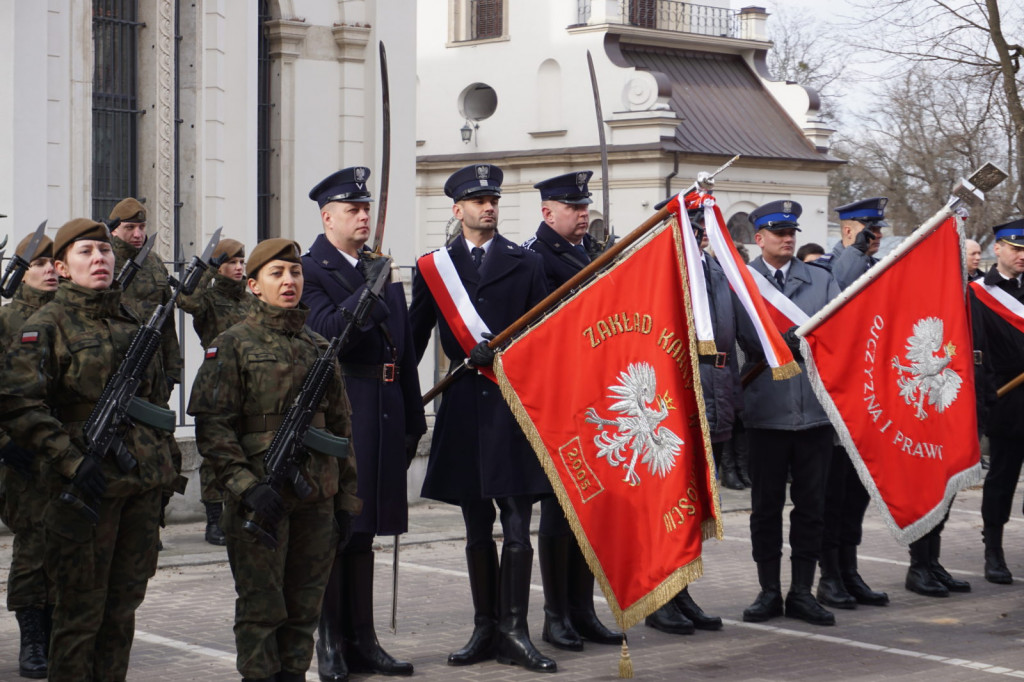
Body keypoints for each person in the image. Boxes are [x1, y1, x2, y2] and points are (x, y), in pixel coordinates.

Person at [0, 218, 178, 680]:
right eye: (85, 252)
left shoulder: (136, 321)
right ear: (62, 266)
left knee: (121, 612)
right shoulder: (45, 325)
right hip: (82, 490)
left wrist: (162, 474)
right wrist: (71, 459)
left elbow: (157, 404)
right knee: (79, 614)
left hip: (138, 487)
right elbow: (19, 404)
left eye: (104, 251)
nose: (99, 259)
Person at [188, 238, 361, 682]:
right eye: (277, 274)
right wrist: (246, 486)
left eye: (296, 272)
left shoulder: (319, 346)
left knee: (305, 611)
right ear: (253, 286)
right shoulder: (232, 345)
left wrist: (346, 501)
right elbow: (214, 428)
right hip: (259, 500)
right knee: (262, 612)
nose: (289, 281)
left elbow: (341, 431)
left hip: (317, 499)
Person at [410, 164, 556, 673]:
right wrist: (402, 405)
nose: (487, 207)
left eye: (492, 199)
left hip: (514, 405)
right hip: (466, 407)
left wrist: (509, 353)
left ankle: (515, 629)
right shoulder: (435, 267)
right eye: (476, 201)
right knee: (476, 525)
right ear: (457, 210)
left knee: (517, 523)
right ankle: (484, 627)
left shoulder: (525, 261)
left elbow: (546, 334)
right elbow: (413, 339)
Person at [302, 166, 426, 680]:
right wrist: (368, 294)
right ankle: (330, 642)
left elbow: (405, 348)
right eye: (353, 209)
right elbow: (328, 334)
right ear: (328, 217)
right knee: (339, 528)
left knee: (367, 530)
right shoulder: (310, 270)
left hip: (387, 403)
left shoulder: (380, 266)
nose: (363, 216)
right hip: (347, 405)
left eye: (366, 208)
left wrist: (414, 417)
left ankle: (364, 639)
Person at [522, 171, 624, 651]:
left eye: (585, 206)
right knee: (561, 511)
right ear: (548, 212)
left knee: (591, 508)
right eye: (572, 207)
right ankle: (556, 614)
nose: (583, 214)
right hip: (561, 398)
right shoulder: (534, 259)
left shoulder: (586, 254)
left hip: (594, 400)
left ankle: (583, 610)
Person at [736, 200, 841, 627]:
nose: (787, 238)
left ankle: (801, 591)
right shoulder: (742, 283)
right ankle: (768, 591)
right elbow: (735, 335)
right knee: (765, 508)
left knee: (812, 507)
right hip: (765, 412)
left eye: (792, 231)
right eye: (778, 232)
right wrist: (771, 343)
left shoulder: (821, 280)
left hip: (814, 413)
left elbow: (839, 336)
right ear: (759, 238)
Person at [641, 190, 736, 635]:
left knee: (696, 504)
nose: (700, 235)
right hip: (674, 404)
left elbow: (732, 334)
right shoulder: (659, 274)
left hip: (712, 396)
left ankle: (684, 588)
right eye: (692, 226)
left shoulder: (713, 269)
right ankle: (660, 593)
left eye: (702, 228)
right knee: (668, 504)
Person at [813, 199, 891, 611]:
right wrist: (855, 252)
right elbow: (834, 302)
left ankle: (850, 568)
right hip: (836, 401)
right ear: (848, 230)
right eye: (867, 230)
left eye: (877, 230)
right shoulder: (829, 266)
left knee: (857, 495)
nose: (875, 236)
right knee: (833, 494)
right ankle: (829, 577)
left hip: (868, 400)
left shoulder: (874, 267)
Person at [107, 198, 187, 539]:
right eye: (130, 228)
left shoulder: (154, 264)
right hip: (117, 371)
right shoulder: (104, 261)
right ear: (114, 230)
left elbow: (167, 322)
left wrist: (173, 369)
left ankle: (154, 517)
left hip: (153, 372)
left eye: (141, 227)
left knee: (162, 448)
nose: (138, 234)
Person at [0, 232, 58, 678]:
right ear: (21, 269)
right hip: (24, 456)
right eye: (40, 262)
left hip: (72, 451)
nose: (52, 269)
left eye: (56, 261)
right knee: (34, 549)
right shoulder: (6, 321)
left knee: (71, 547)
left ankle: (61, 633)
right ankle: (33, 640)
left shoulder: (70, 317)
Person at [177, 238, 254, 546]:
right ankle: (214, 520)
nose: (238, 268)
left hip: (249, 382)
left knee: (248, 446)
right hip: (217, 380)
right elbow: (185, 300)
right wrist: (206, 269)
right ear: (220, 265)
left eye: (241, 262)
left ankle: (245, 511)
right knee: (214, 454)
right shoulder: (208, 298)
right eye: (232, 262)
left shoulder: (250, 301)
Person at [972, 219, 1024, 586]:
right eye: (1017, 248)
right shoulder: (977, 294)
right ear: (998, 250)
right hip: (1005, 399)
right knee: (1002, 478)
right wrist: (988, 397)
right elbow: (978, 351)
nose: (1023, 255)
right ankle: (994, 549)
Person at [815, 198, 886, 290]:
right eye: (872, 229)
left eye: (879, 229)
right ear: (848, 232)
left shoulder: (881, 266)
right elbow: (834, 292)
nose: (879, 235)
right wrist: (856, 252)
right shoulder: (821, 268)